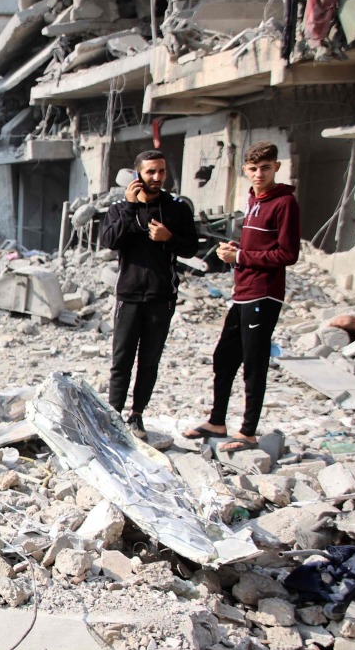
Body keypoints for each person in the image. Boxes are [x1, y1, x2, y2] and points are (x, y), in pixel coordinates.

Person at [185, 141, 300, 452]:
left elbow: (288, 254)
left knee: (254, 362)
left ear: (276, 167)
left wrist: (243, 257)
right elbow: (257, 248)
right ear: (245, 171)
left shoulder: (284, 203)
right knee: (224, 357)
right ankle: (217, 420)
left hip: (264, 294)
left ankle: (248, 432)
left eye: (265, 168)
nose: (258, 174)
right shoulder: (254, 200)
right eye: (253, 169)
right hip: (242, 292)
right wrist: (234, 253)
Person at [99, 149, 197, 439]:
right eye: (150, 172)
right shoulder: (120, 208)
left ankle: (137, 415)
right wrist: (131, 207)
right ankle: (112, 414)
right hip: (128, 295)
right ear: (137, 174)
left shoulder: (177, 208)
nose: (156, 177)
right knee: (121, 359)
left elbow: (192, 247)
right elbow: (110, 241)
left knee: (149, 360)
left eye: (161, 172)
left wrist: (170, 239)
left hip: (161, 295)